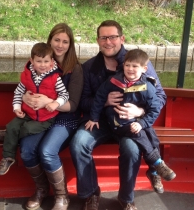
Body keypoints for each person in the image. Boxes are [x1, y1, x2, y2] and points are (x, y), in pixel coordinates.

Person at [69, 20, 167, 210]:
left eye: (113, 37)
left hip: (129, 123)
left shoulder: (139, 62)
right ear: (98, 41)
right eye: (103, 38)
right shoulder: (88, 68)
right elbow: (82, 101)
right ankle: (91, 194)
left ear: (121, 38)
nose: (108, 42)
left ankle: (126, 198)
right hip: (99, 122)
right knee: (78, 143)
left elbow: (160, 96)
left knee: (132, 150)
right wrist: (104, 102)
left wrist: (140, 111)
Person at [0, 23, 83, 210]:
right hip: (37, 117)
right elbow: (24, 87)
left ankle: (61, 196)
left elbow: (73, 104)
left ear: (70, 44)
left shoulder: (75, 69)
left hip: (64, 118)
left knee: (47, 151)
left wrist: (47, 101)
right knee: (26, 150)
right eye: (56, 40)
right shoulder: (39, 65)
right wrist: (25, 97)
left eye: (65, 41)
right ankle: (41, 190)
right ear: (50, 40)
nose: (60, 45)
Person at [85, 49, 175, 191]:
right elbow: (99, 98)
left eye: (135, 66)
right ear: (123, 65)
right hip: (117, 122)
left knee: (152, 136)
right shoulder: (114, 81)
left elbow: (155, 109)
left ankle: (154, 171)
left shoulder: (148, 87)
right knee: (138, 133)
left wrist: (142, 122)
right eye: (128, 65)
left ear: (144, 69)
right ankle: (157, 162)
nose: (130, 69)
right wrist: (94, 118)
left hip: (137, 120)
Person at [0, 42, 69, 176]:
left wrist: (55, 104)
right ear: (32, 61)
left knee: (27, 129)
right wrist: (16, 107)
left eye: (46, 61)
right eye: (39, 61)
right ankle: (8, 157)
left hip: (45, 118)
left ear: (52, 62)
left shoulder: (55, 78)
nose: (43, 65)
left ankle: (9, 137)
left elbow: (64, 95)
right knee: (11, 126)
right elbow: (18, 92)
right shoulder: (27, 77)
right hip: (27, 113)